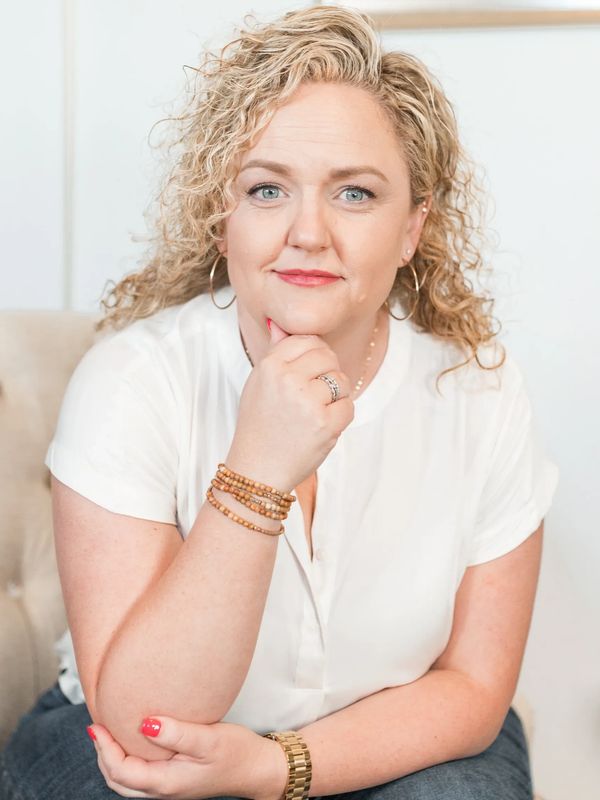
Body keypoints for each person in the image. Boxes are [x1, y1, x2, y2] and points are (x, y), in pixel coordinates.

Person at [0, 5, 558, 800]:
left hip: (388, 733)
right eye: (267, 189)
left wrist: (277, 768)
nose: (307, 231)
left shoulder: (478, 391)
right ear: (222, 218)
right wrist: (256, 470)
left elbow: (472, 684)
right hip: (129, 741)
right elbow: (146, 722)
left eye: (356, 195)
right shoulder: (132, 378)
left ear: (412, 230)